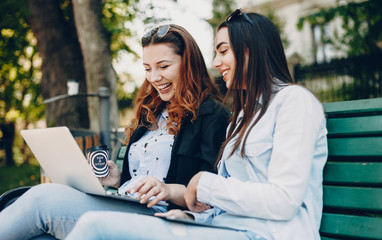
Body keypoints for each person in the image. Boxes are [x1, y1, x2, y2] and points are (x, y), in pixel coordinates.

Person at [64, 9, 328, 240]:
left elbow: (283, 201)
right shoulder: (243, 116)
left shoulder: (295, 102)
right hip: (221, 228)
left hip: (266, 234)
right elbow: (226, 204)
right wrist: (191, 218)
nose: (215, 62)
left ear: (250, 51)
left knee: (95, 227)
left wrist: (205, 183)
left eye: (223, 51)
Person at [0, 24, 229, 240]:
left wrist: (167, 190)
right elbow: (142, 178)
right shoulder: (153, 110)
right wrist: (118, 180)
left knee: (43, 199)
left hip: (160, 216)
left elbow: (209, 191)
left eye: (164, 66)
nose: (154, 77)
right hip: (124, 202)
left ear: (188, 63)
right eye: (148, 69)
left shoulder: (212, 115)